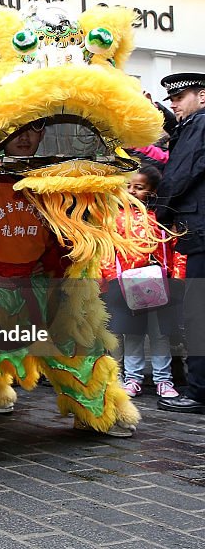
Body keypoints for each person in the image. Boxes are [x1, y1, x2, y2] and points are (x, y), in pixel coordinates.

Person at [101, 165, 184, 399]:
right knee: (132, 334)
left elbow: (174, 248)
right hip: (126, 284)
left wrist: (176, 277)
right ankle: (133, 378)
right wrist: (111, 279)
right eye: (128, 186)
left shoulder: (161, 217)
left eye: (139, 187)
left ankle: (163, 379)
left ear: (153, 191)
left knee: (160, 335)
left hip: (159, 283)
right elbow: (107, 252)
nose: (132, 191)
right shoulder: (113, 217)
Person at [155, 73, 205, 414]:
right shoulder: (192, 124)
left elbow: (179, 174)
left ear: (202, 97)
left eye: (181, 96)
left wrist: (157, 213)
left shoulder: (199, 125)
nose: (174, 102)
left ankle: (200, 391)